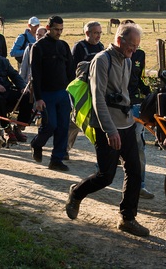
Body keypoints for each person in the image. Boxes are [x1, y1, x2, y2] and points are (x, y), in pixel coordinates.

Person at [65, 22, 150, 237]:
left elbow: (124, 94)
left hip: (126, 123)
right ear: (120, 40)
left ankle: (128, 219)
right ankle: (76, 193)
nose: (134, 50)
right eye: (131, 45)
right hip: (106, 127)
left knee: (135, 170)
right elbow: (98, 99)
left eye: (137, 45)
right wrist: (110, 130)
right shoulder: (102, 60)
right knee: (106, 176)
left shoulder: (128, 61)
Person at [30, 16, 75, 171]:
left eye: (61, 29)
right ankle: (37, 143)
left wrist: (71, 92)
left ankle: (56, 159)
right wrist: (38, 98)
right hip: (46, 94)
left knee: (63, 127)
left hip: (63, 93)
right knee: (50, 125)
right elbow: (35, 74)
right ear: (48, 28)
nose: (59, 32)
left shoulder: (64, 46)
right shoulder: (38, 47)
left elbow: (71, 70)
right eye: (56, 29)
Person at [122, 19, 154, 199]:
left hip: (135, 104)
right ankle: (102, 172)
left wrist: (148, 92)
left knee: (138, 144)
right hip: (117, 108)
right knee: (114, 144)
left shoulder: (140, 55)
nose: (133, 47)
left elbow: (138, 77)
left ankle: (139, 185)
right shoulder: (111, 57)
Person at [66, 21, 105, 158]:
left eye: (100, 33)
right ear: (87, 33)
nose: (98, 36)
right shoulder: (79, 47)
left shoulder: (101, 47)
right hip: (82, 90)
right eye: (95, 33)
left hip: (97, 89)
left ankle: (108, 153)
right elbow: (73, 70)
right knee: (76, 120)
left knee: (102, 122)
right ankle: (64, 149)